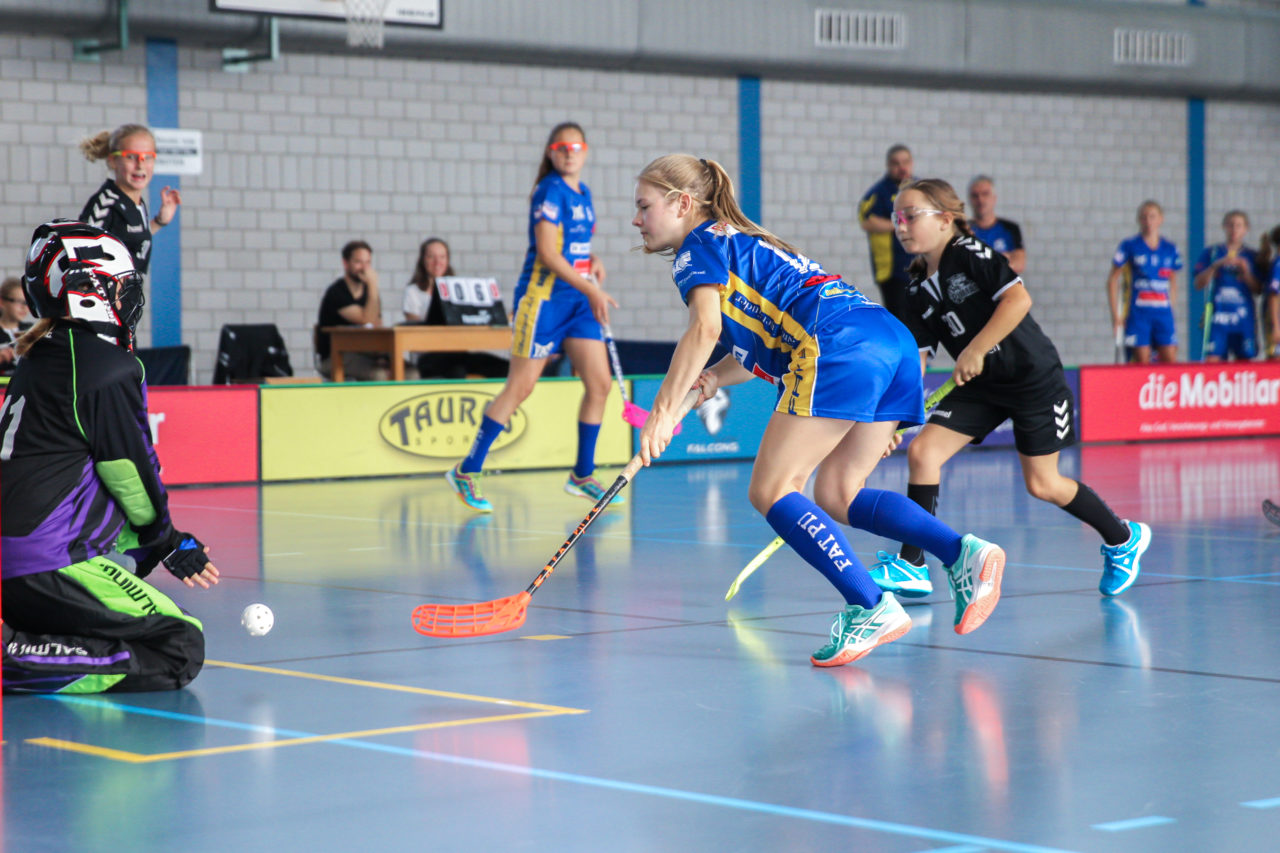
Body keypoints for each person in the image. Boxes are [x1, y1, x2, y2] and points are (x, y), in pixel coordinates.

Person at [632, 154, 1006, 667]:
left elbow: (704, 330)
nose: (637, 220)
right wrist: (715, 377)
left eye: (643, 206)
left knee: (770, 490)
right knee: (837, 493)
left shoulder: (695, 248)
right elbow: (752, 337)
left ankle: (870, 604)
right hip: (888, 341)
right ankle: (962, 552)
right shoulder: (738, 242)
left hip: (839, 346)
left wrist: (661, 413)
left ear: (681, 204)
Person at [869, 179, 1149, 600]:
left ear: (946, 220)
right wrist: (892, 424)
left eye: (911, 216)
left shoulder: (968, 253)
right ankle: (912, 563)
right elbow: (919, 360)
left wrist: (977, 348)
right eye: (897, 218)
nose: (902, 226)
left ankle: (1122, 538)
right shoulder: (914, 287)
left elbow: (1018, 300)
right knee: (924, 452)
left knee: (1043, 484)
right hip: (981, 384)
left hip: (1032, 378)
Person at [1, 220, 219, 694]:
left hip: (18, 564)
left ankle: (29, 642)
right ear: (88, 290)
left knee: (131, 564)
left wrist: (152, 546)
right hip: (43, 564)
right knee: (178, 647)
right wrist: (168, 540)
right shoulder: (105, 367)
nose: (128, 300)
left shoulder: (41, 357)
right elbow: (130, 475)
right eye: (121, 288)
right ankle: (12, 659)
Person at [446, 122, 619, 511]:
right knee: (521, 387)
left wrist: (594, 263)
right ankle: (466, 470)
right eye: (561, 147)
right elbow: (547, 253)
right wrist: (592, 288)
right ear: (550, 152)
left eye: (575, 146)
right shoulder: (549, 191)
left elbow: (573, 247)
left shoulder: (585, 194)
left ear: (586, 151)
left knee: (600, 384)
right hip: (543, 300)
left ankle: (582, 474)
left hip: (577, 301)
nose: (569, 152)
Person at [78, 123, 181, 277]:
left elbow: (131, 239)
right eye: (131, 157)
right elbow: (82, 252)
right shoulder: (105, 203)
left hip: (129, 296)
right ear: (113, 161)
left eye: (147, 158)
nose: (140, 165)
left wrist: (159, 221)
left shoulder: (135, 203)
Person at [402, 237, 507, 379]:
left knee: (503, 367)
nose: (437, 262)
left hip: (458, 353)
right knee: (456, 370)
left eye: (442, 257)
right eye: (431, 257)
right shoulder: (413, 292)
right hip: (428, 356)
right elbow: (414, 331)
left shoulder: (458, 289)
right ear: (423, 260)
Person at [1106, 200, 1182, 364]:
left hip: (1163, 313)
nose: (1148, 221)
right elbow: (1113, 280)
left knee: (1170, 358)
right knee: (1142, 361)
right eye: (1144, 217)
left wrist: (1171, 307)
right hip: (1138, 313)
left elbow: (1173, 281)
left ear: (1160, 219)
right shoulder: (1129, 246)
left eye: (1152, 216)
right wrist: (1116, 316)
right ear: (1139, 220)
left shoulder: (1170, 249)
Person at [315, 239, 389, 381]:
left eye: (368, 263)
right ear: (345, 263)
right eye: (358, 262)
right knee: (379, 375)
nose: (364, 268)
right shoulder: (336, 292)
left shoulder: (370, 293)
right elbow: (365, 319)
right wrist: (373, 285)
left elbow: (376, 324)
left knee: (410, 373)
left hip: (366, 352)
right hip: (336, 355)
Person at [857, 144, 915, 323]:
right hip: (892, 271)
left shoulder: (919, 189)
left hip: (921, 267)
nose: (901, 167)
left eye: (905, 162)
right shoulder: (880, 192)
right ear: (888, 166)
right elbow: (867, 220)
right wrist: (901, 223)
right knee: (900, 319)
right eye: (896, 163)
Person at [1194, 210, 1259, 362]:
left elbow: (1259, 289)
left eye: (1238, 225)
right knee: (1212, 362)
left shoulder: (1251, 255)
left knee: (1245, 365)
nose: (1234, 229)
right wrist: (1216, 266)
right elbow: (1198, 284)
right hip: (1218, 319)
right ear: (1224, 227)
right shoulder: (1212, 252)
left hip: (1243, 319)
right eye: (1230, 225)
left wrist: (1246, 271)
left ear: (1245, 229)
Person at [967, 175, 1025, 275]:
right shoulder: (963, 230)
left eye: (985, 194)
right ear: (970, 200)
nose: (980, 200)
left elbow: (1019, 264)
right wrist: (1001, 260)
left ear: (994, 198)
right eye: (975, 195)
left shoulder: (1010, 228)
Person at [0, 275, 34, 377]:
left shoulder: (31, 331)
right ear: (2, 302)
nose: (24, 308)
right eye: (19, 302)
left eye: (27, 303)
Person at [1255, 224, 1280, 360]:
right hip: (1275, 318)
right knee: (1275, 360)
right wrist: (1276, 326)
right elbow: (1273, 296)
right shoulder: (1278, 264)